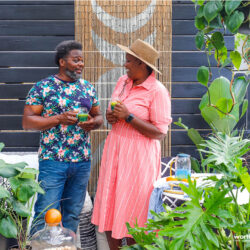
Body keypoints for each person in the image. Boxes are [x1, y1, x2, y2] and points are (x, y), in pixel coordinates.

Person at [91, 39, 172, 249]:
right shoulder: (123, 82)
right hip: (115, 150)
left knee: (136, 209)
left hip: (139, 157)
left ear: (142, 65)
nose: (125, 65)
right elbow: (117, 114)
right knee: (111, 204)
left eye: (129, 61)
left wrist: (129, 117)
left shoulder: (157, 91)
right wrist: (112, 116)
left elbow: (160, 133)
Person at [22, 40, 103, 235]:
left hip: (82, 161)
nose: (81, 64)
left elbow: (98, 116)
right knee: (45, 213)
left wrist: (93, 123)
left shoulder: (87, 87)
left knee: (73, 214)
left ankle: (67, 247)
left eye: (82, 61)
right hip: (53, 162)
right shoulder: (43, 87)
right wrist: (58, 118)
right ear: (62, 62)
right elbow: (27, 122)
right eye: (76, 60)